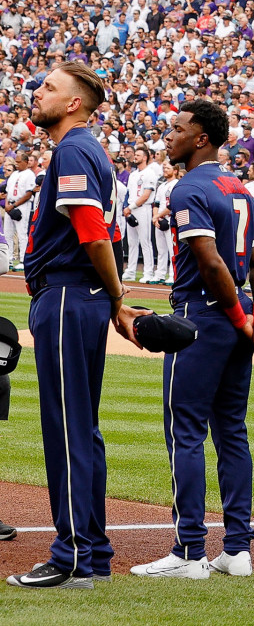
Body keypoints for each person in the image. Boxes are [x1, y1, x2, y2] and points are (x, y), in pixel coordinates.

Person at [6, 61, 145, 590]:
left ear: (73, 104)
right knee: (81, 429)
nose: (36, 92)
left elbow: (91, 231)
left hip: (67, 296)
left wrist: (118, 297)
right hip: (76, 296)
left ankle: (72, 559)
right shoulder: (88, 149)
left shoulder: (72, 148)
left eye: (48, 87)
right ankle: (94, 552)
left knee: (66, 430)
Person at [130, 100, 254, 580]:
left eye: (176, 129)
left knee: (186, 431)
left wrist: (239, 318)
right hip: (235, 321)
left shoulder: (187, 187)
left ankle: (189, 551)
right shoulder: (243, 191)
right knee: (232, 431)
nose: (166, 136)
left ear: (200, 139)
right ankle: (236, 550)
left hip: (201, 315)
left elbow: (212, 263)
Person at [121, 146, 158, 282]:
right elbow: (129, 193)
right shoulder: (133, 174)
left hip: (143, 208)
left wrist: (130, 207)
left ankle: (148, 272)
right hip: (131, 209)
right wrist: (127, 207)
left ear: (145, 157)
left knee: (145, 241)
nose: (135, 157)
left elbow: (146, 195)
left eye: (138, 155)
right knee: (132, 242)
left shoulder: (150, 173)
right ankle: (131, 270)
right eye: (135, 154)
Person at [149, 164, 177, 284]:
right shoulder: (162, 185)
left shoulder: (176, 184)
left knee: (172, 250)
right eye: (164, 168)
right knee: (161, 250)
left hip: (170, 218)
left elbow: (173, 205)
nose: (165, 170)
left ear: (175, 171)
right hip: (160, 219)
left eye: (168, 168)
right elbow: (156, 203)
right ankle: (160, 274)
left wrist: (157, 216)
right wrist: (155, 218)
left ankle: (172, 275)